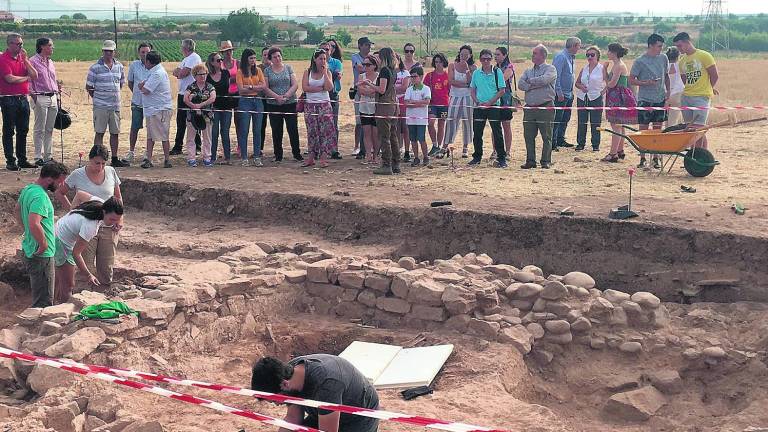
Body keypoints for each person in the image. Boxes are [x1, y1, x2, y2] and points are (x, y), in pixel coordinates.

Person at [251, 355, 380, 432]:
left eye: (274, 400)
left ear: (284, 384)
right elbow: (293, 419)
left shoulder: (326, 385)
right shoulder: (288, 373)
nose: (277, 404)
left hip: (359, 419)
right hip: (327, 414)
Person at [54, 144, 123, 286]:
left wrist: (119, 219)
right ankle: (81, 295)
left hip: (108, 227)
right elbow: (60, 192)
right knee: (85, 263)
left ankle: (102, 293)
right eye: (97, 163)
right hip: (87, 224)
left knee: (106, 265)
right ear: (89, 159)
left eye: (104, 163)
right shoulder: (78, 174)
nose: (100, 167)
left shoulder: (111, 172)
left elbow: (118, 198)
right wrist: (73, 211)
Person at [15, 161, 69, 307]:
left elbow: (17, 209)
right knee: (44, 300)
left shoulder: (29, 189)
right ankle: (39, 327)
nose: (61, 185)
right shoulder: (41, 197)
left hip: (31, 248)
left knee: (39, 292)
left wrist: (26, 229)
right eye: (60, 181)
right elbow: (34, 222)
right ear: (50, 179)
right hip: (42, 255)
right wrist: (43, 243)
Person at [54, 196, 124, 303]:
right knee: (69, 284)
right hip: (61, 242)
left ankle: (53, 303)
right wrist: (88, 275)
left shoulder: (98, 204)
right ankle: (61, 310)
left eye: (117, 220)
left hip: (57, 233)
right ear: (105, 212)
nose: (114, 223)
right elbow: (76, 254)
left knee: (60, 279)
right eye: (112, 219)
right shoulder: (91, 226)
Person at [630, 33, 670, 169]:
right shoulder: (640, 61)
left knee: (658, 130)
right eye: (659, 46)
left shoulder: (664, 58)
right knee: (644, 131)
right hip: (645, 100)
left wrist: (668, 93)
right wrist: (646, 82)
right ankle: (642, 158)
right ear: (651, 45)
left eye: (661, 46)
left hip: (660, 99)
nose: (660, 49)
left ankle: (655, 158)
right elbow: (631, 80)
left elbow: (666, 76)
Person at [674, 31, 718, 149]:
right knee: (690, 130)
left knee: (699, 129)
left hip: (701, 98)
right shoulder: (682, 61)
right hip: (686, 97)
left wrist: (708, 88)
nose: (679, 49)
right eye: (677, 46)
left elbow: (714, 75)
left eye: (680, 46)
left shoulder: (704, 55)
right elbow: (685, 80)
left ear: (687, 42)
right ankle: (695, 155)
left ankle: (701, 156)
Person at [85, 40, 126, 168]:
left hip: (115, 106)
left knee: (115, 133)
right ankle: (97, 158)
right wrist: (99, 98)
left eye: (110, 51)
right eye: (105, 51)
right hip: (101, 106)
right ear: (102, 51)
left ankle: (114, 158)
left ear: (114, 52)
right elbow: (89, 87)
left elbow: (121, 83)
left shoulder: (119, 66)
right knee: (99, 132)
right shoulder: (95, 67)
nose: (108, 53)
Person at [1, 33, 38, 171]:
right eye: (18, 44)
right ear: (9, 44)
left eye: (21, 43)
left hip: (23, 98)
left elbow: (35, 75)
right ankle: (10, 160)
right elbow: (9, 78)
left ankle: (22, 159)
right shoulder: (3, 59)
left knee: (23, 130)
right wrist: (26, 78)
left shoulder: (22, 59)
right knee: (9, 130)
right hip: (8, 98)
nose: (21, 46)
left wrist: (26, 60)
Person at [518, 44, 557, 169]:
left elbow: (545, 80)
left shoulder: (551, 69)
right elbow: (520, 84)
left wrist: (530, 81)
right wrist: (532, 85)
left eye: (535, 53)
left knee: (546, 135)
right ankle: (530, 161)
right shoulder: (528, 70)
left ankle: (545, 161)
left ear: (543, 55)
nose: (532, 55)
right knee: (528, 136)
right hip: (529, 108)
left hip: (545, 107)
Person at [467, 49, 506, 168]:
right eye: (483, 59)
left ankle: (501, 158)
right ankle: (477, 157)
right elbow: (472, 89)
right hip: (479, 106)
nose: (486, 61)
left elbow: (502, 90)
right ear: (480, 59)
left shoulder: (497, 72)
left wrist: (490, 102)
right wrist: (477, 102)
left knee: (497, 132)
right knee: (477, 133)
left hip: (493, 106)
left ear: (491, 59)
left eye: (488, 59)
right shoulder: (476, 73)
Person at [264, 47, 301, 162]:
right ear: (270, 59)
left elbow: (295, 84)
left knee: (293, 129)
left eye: (279, 56)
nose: (277, 58)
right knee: (276, 130)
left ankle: (296, 153)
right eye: (274, 57)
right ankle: (278, 155)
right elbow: (265, 87)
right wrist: (277, 97)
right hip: (273, 104)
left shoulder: (288, 68)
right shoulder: (267, 71)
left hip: (290, 103)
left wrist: (286, 96)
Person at [301, 49, 336, 168]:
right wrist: (320, 88)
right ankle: (311, 158)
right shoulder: (308, 72)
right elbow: (305, 87)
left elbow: (329, 87)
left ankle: (323, 158)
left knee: (324, 131)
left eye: (325, 58)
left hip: (324, 105)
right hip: (310, 105)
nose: (323, 61)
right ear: (315, 59)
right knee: (312, 131)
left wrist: (325, 73)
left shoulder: (328, 72)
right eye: (320, 58)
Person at [138, 50, 173, 169]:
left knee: (163, 135)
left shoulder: (157, 73)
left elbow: (146, 89)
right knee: (151, 136)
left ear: (149, 62)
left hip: (159, 109)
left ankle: (167, 159)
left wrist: (141, 87)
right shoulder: (155, 71)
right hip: (154, 109)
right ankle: (149, 159)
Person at [603, 42, 637, 162]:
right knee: (620, 125)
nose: (607, 53)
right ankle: (620, 150)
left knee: (616, 125)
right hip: (616, 96)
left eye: (609, 51)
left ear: (614, 53)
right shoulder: (617, 65)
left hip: (618, 97)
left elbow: (612, 83)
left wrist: (604, 72)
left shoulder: (618, 66)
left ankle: (613, 154)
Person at [29, 37, 60, 167]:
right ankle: (38, 156)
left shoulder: (51, 61)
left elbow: (53, 79)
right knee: (39, 129)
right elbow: (29, 81)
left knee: (49, 129)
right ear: (42, 47)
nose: (52, 48)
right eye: (50, 45)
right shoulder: (32, 61)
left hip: (52, 97)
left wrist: (57, 94)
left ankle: (48, 156)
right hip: (40, 96)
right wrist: (34, 97)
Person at [170, 39, 203, 155]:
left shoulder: (193, 58)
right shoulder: (186, 59)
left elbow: (182, 73)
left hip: (191, 94)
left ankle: (196, 145)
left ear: (185, 48)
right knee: (181, 121)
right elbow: (177, 72)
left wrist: (179, 72)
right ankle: (178, 145)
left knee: (193, 120)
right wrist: (179, 72)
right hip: (183, 93)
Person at [236, 48, 267, 166]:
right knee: (244, 130)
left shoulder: (258, 70)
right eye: (251, 58)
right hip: (245, 102)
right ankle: (244, 157)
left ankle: (257, 156)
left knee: (257, 130)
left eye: (254, 58)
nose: (253, 60)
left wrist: (249, 87)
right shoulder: (240, 72)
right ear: (246, 59)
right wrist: (255, 86)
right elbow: (241, 90)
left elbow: (263, 86)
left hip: (257, 101)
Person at [444, 45, 475, 158]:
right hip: (455, 95)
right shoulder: (452, 65)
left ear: (470, 55)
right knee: (451, 119)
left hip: (468, 96)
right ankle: (445, 145)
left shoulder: (473, 67)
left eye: (466, 55)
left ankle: (465, 147)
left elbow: (471, 81)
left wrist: (467, 69)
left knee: (467, 120)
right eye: (462, 54)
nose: (463, 56)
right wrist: (466, 85)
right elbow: (451, 81)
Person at [574, 46, 607, 152]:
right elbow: (577, 83)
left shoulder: (602, 69)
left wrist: (603, 92)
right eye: (587, 55)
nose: (590, 57)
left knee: (595, 122)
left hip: (596, 97)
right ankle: (580, 143)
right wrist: (581, 86)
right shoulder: (584, 69)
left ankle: (595, 144)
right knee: (582, 121)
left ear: (597, 56)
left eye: (592, 55)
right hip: (582, 97)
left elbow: (609, 82)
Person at [373, 47, 400, 175]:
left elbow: (382, 89)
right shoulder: (393, 70)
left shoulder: (384, 71)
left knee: (384, 136)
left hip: (384, 105)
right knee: (393, 135)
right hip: (393, 105)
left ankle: (386, 164)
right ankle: (396, 163)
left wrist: (370, 84)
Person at [125, 42, 152, 165]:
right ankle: (131, 152)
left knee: (150, 129)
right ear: (139, 53)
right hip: (137, 102)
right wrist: (137, 92)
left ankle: (148, 152)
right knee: (134, 128)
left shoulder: (155, 67)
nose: (145, 54)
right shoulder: (134, 65)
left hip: (151, 103)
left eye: (147, 52)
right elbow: (130, 83)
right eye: (143, 52)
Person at [551, 37, 581, 150]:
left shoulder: (571, 57)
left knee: (565, 118)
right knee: (557, 118)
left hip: (569, 93)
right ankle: (553, 143)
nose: (579, 48)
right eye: (578, 46)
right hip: (561, 93)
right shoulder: (561, 57)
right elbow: (556, 76)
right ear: (574, 45)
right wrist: (558, 92)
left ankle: (560, 139)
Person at [184, 64, 216, 167]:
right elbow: (185, 99)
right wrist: (193, 106)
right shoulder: (191, 87)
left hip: (207, 116)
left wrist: (200, 105)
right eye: (200, 74)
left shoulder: (210, 86)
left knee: (207, 138)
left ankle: (207, 158)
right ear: (195, 75)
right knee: (191, 137)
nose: (203, 76)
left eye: (205, 74)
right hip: (192, 116)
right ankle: (191, 158)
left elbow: (212, 98)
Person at [206, 51, 232, 164]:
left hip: (226, 106)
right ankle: (212, 157)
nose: (220, 61)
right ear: (211, 63)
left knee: (225, 132)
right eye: (218, 60)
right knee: (214, 132)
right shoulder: (207, 76)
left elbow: (229, 88)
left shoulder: (226, 73)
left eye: (221, 59)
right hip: (214, 107)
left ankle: (228, 157)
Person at [404, 66, 431, 167]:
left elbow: (427, 102)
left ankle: (425, 156)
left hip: (421, 119)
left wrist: (413, 102)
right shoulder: (409, 89)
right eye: (411, 76)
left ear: (420, 76)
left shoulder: (426, 88)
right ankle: (416, 157)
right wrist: (419, 103)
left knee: (421, 138)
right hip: (411, 119)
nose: (412, 78)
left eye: (415, 76)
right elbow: (406, 102)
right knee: (413, 139)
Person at [351, 37, 374, 159]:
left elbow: (363, 68)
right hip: (360, 92)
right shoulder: (355, 57)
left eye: (369, 44)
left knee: (370, 122)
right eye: (366, 44)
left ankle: (367, 149)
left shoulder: (371, 57)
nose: (368, 47)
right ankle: (357, 146)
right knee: (359, 121)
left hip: (371, 92)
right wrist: (372, 66)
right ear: (359, 45)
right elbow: (360, 68)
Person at [356, 55, 379, 165]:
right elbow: (360, 90)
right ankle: (368, 155)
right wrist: (371, 90)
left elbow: (377, 91)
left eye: (368, 65)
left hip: (375, 107)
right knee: (366, 132)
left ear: (374, 66)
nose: (365, 67)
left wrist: (368, 89)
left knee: (375, 133)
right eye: (364, 64)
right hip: (364, 106)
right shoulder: (361, 76)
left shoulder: (378, 76)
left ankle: (375, 155)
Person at [425, 53, 449, 158]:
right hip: (432, 104)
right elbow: (425, 89)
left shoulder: (448, 75)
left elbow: (450, 90)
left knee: (441, 125)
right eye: (436, 62)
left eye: (440, 61)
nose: (438, 64)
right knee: (430, 123)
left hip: (444, 103)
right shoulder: (429, 75)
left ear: (444, 62)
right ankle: (434, 144)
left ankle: (438, 146)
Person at [494, 47, 516, 160]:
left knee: (506, 126)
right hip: (495, 98)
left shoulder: (509, 67)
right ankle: (495, 150)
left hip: (505, 98)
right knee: (495, 126)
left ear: (504, 55)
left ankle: (507, 151)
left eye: (498, 54)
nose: (495, 56)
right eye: (495, 54)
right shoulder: (494, 67)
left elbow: (502, 79)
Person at [219, 40, 239, 157]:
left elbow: (241, 77)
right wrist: (231, 80)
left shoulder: (238, 63)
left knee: (239, 122)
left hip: (236, 94)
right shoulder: (219, 64)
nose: (228, 53)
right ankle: (225, 149)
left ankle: (240, 147)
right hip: (224, 96)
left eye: (230, 50)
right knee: (224, 125)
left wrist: (226, 80)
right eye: (226, 51)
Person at [324, 40, 344, 159]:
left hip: (332, 94)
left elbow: (337, 75)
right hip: (320, 95)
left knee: (333, 123)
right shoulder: (314, 63)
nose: (326, 50)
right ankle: (321, 148)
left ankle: (334, 149)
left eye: (329, 48)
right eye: (325, 48)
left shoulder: (336, 62)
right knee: (320, 123)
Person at [666, 47, 685, 128]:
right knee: (673, 120)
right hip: (678, 93)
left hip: (665, 94)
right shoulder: (681, 65)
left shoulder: (664, 66)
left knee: (664, 119)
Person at [258, 46, 272, 155]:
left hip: (273, 101)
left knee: (275, 125)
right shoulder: (257, 69)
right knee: (260, 125)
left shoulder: (276, 68)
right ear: (262, 56)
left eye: (269, 55)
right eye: (265, 55)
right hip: (261, 100)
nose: (267, 57)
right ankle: (259, 148)